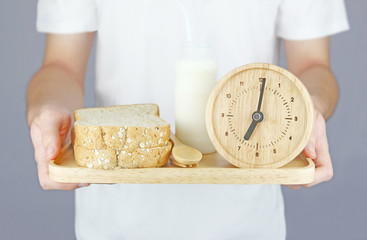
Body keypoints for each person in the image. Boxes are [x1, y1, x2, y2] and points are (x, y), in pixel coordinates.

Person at [27, 0, 349, 239]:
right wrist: (48, 107)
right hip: (116, 221)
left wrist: (310, 108)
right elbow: (61, 65)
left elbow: (313, 66)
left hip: (247, 222)